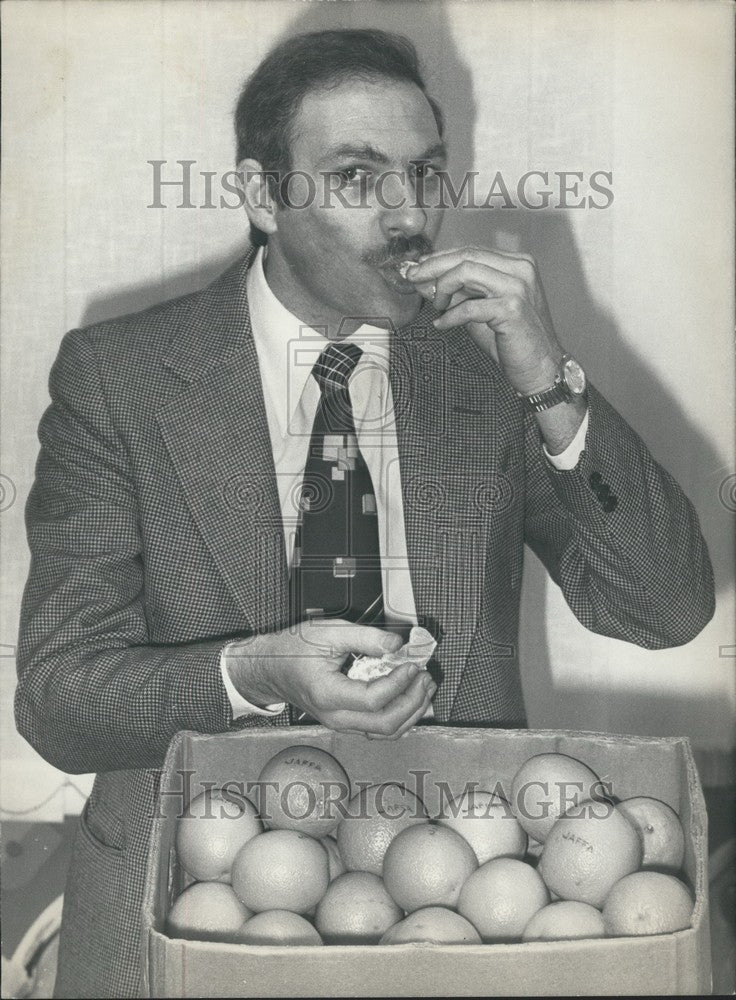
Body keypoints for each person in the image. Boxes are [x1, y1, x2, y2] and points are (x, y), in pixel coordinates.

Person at [15, 28, 713, 999]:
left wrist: (548, 381)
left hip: (450, 898)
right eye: (356, 177)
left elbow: (665, 607)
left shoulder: (483, 377)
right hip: (183, 893)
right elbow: (57, 697)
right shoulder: (121, 377)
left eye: (425, 174)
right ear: (261, 197)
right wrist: (252, 672)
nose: (408, 216)